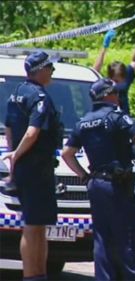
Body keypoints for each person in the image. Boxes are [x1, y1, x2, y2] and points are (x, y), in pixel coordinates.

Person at [61, 79, 135, 281]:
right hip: (117, 186)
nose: (118, 95)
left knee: (102, 240)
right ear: (108, 95)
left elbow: (67, 154)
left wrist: (85, 177)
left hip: (96, 185)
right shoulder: (115, 116)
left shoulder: (84, 121)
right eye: (115, 91)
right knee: (130, 237)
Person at [3, 51, 62, 280]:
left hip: (26, 168)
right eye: (50, 67)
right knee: (33, 226)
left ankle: (38, 274)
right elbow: (32, 131)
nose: (52, 71)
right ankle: (33, 275)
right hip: (37, 168)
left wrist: (14, 156)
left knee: (37, 225)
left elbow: (9, 128)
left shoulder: (16, 92)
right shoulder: (40, 97)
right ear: (41, 70)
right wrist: (16, 154)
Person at [93, 17, 135, 115]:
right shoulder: (104, 85)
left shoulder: (126, 80)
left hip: (123, 121)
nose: (115, 84)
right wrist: (104, 46)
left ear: (124, 78)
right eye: (113, 80)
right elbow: (94, 71)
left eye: (118, 81)